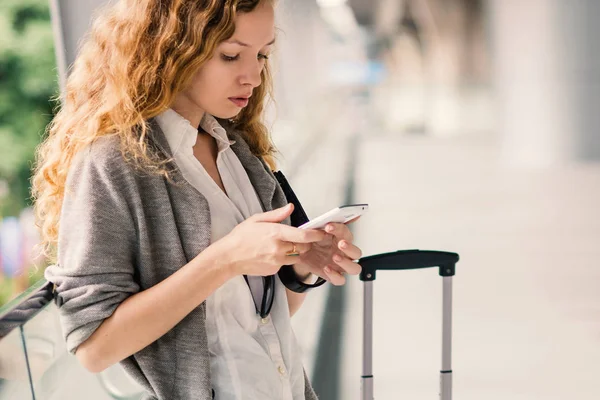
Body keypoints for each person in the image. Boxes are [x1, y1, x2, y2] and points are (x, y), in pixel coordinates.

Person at [31, 1, 363, 399]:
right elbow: (94, 347)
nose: (254, 76)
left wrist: (303, 264)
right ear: (173, 47)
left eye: (261, 55)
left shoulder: (238, 152)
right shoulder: (111, 163)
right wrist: (225, 259)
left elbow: (262, 318)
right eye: (230, 55)